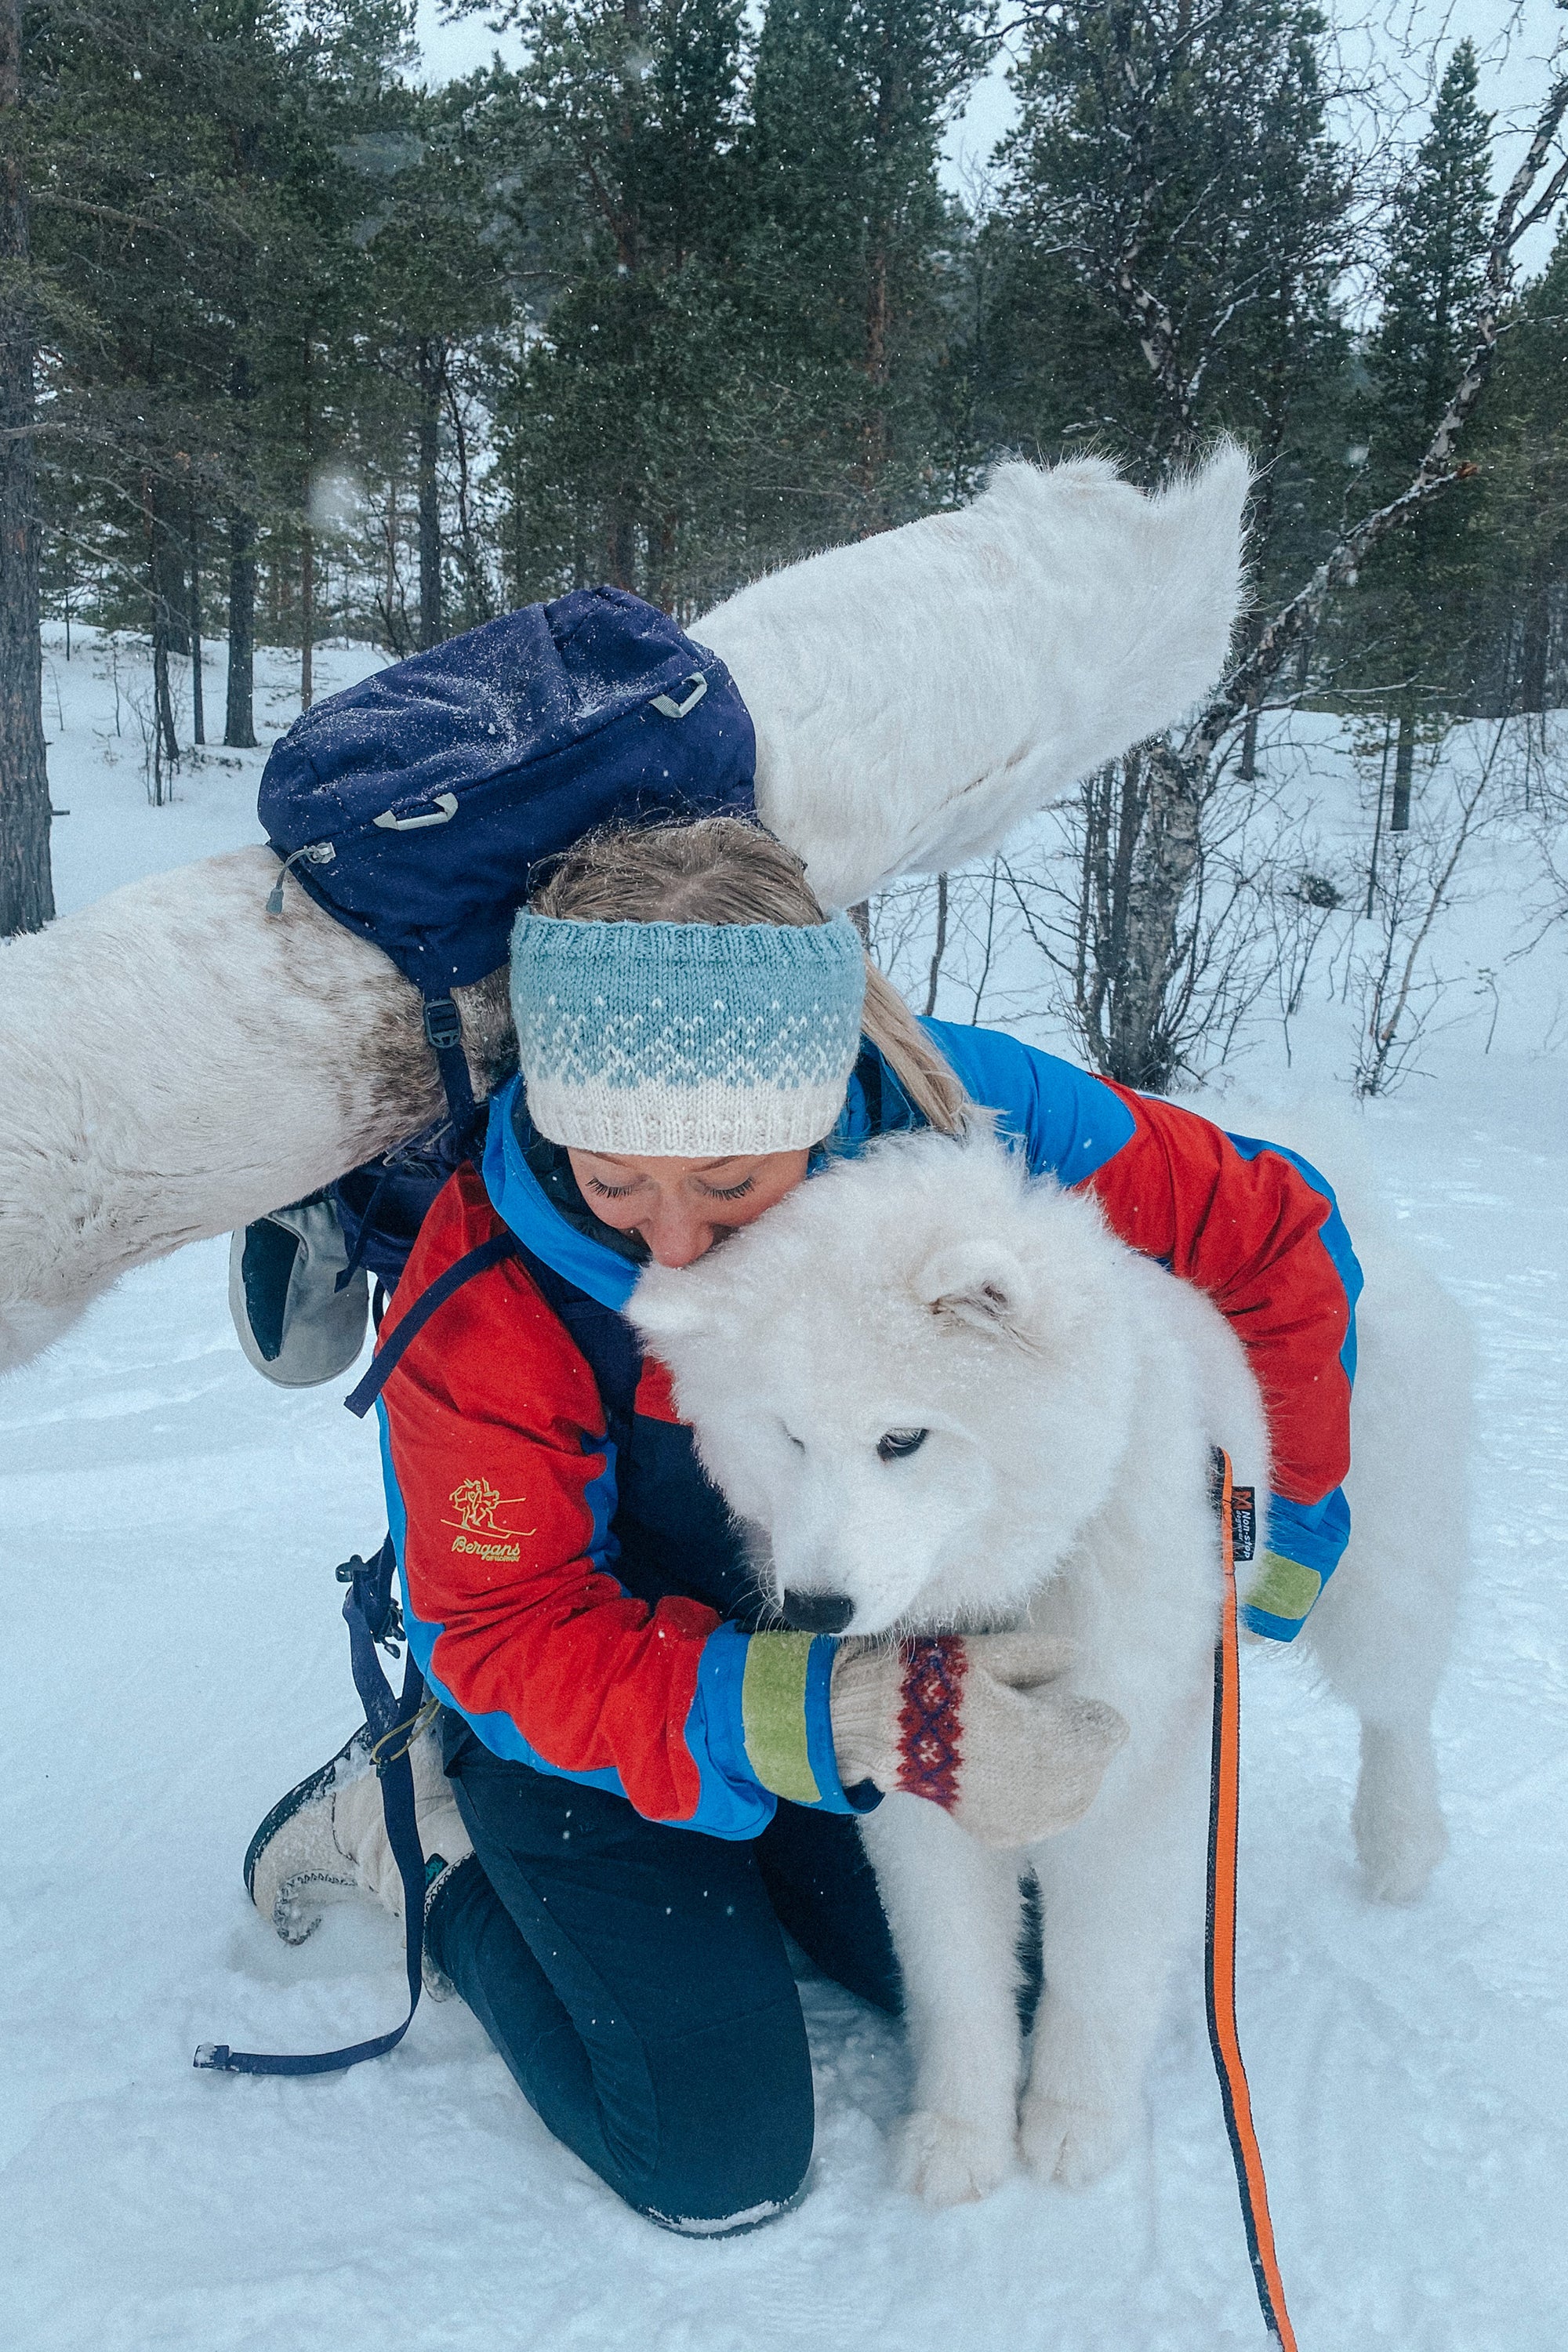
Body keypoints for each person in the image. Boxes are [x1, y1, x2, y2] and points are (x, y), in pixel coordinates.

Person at [247, 815, 1360, 2232]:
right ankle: (430, 1829)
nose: (671, 1241)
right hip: (578, 1701)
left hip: (835, 1634)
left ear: (827, 1098)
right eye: (613, 1178)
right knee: (712, 2152)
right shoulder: (494, 1287)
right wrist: (828, 1718)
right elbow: (505, 1624)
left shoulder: (970, 1113)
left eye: (729, 1183)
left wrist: (1289, 1516)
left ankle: (746, 1832)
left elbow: (1269, 1230)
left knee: (1020, 1962)